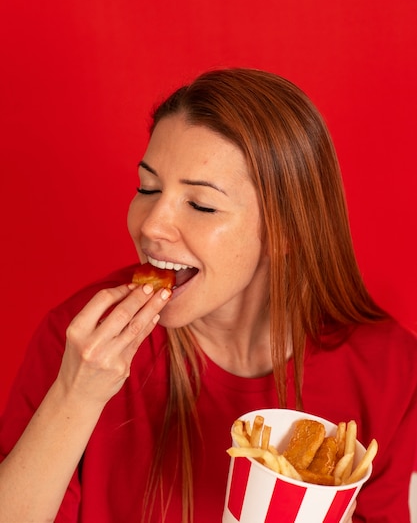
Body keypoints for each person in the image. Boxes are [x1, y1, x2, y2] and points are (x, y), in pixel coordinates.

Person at [0, 68, 416, 523]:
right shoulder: (81, 339)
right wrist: (74, 396)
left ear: (286, 230)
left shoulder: (390, 372)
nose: (150, 225)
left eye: (200, 205)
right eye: (147, 188)